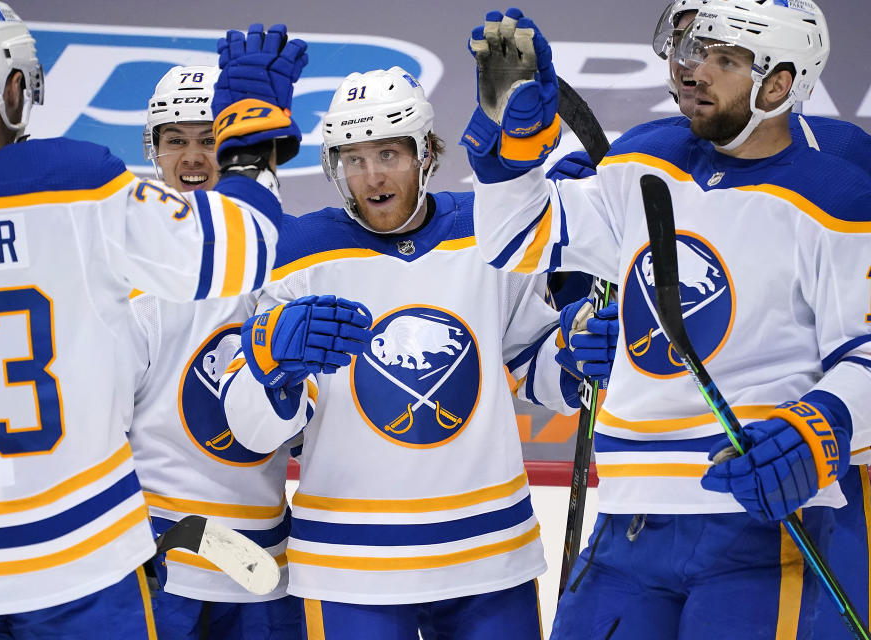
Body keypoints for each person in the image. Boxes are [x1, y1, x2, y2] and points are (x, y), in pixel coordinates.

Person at [465, 3, 871, 638]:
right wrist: (509, 155)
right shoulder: (643, 159)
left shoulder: (838, 198)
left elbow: (865, 353)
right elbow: (518, 239)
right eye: (691, 51)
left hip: (760, 526)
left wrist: (820, 429)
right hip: (629, 518)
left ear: (779, 84)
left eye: (725, 61)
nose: (693, 72)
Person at [0, 3, 299, 637]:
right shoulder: (76, 181)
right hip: (78, 556)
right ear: (16, 89)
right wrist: (251, 149)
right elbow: (244, 249)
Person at [215, 59, 619, 639]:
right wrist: (269, 364)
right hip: (350, 566)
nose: (373, 176)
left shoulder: (490, 233)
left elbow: (534, 365)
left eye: (389, 154)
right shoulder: (297, 255)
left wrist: (577, 351)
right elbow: (250, 430)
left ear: (426, 152)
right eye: (354, 160)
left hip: (489, 555)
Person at [126, 65, 301, 639]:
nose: (195, 157)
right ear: (152, 149)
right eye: (176, 140)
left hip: (262, 560)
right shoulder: (120, 266)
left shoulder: (283, 256)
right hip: (156, 558)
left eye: (210, 140)